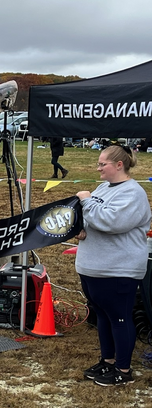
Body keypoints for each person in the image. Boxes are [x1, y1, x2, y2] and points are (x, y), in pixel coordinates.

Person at [76, 145, 151, 386]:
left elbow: (112, 221)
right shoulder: (103, 188)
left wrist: (86, 201)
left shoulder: (133, 193)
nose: (98, 168)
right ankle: (107, 361)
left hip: (118, 269)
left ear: (119, 165)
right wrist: (81, 227)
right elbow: (90, 218)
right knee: (103, 317)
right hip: (92, 267)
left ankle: (123, 369)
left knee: (119, 318)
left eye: (102, 164)